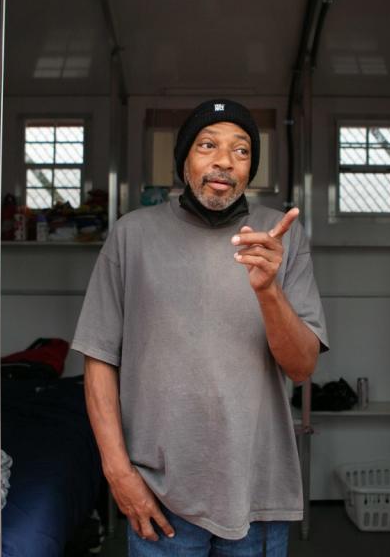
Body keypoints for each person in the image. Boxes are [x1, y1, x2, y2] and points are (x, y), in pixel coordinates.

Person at [71, 99, 328, 556]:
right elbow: (99, 360)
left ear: (251, 167)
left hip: (257, 494)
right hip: (159, 495)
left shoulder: (277, 238)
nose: (224, 161)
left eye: (242, 150)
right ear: (184, 159)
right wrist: (117, 472)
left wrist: (269, 290)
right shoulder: (131, 236)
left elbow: (303, 366)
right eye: (207, 145)